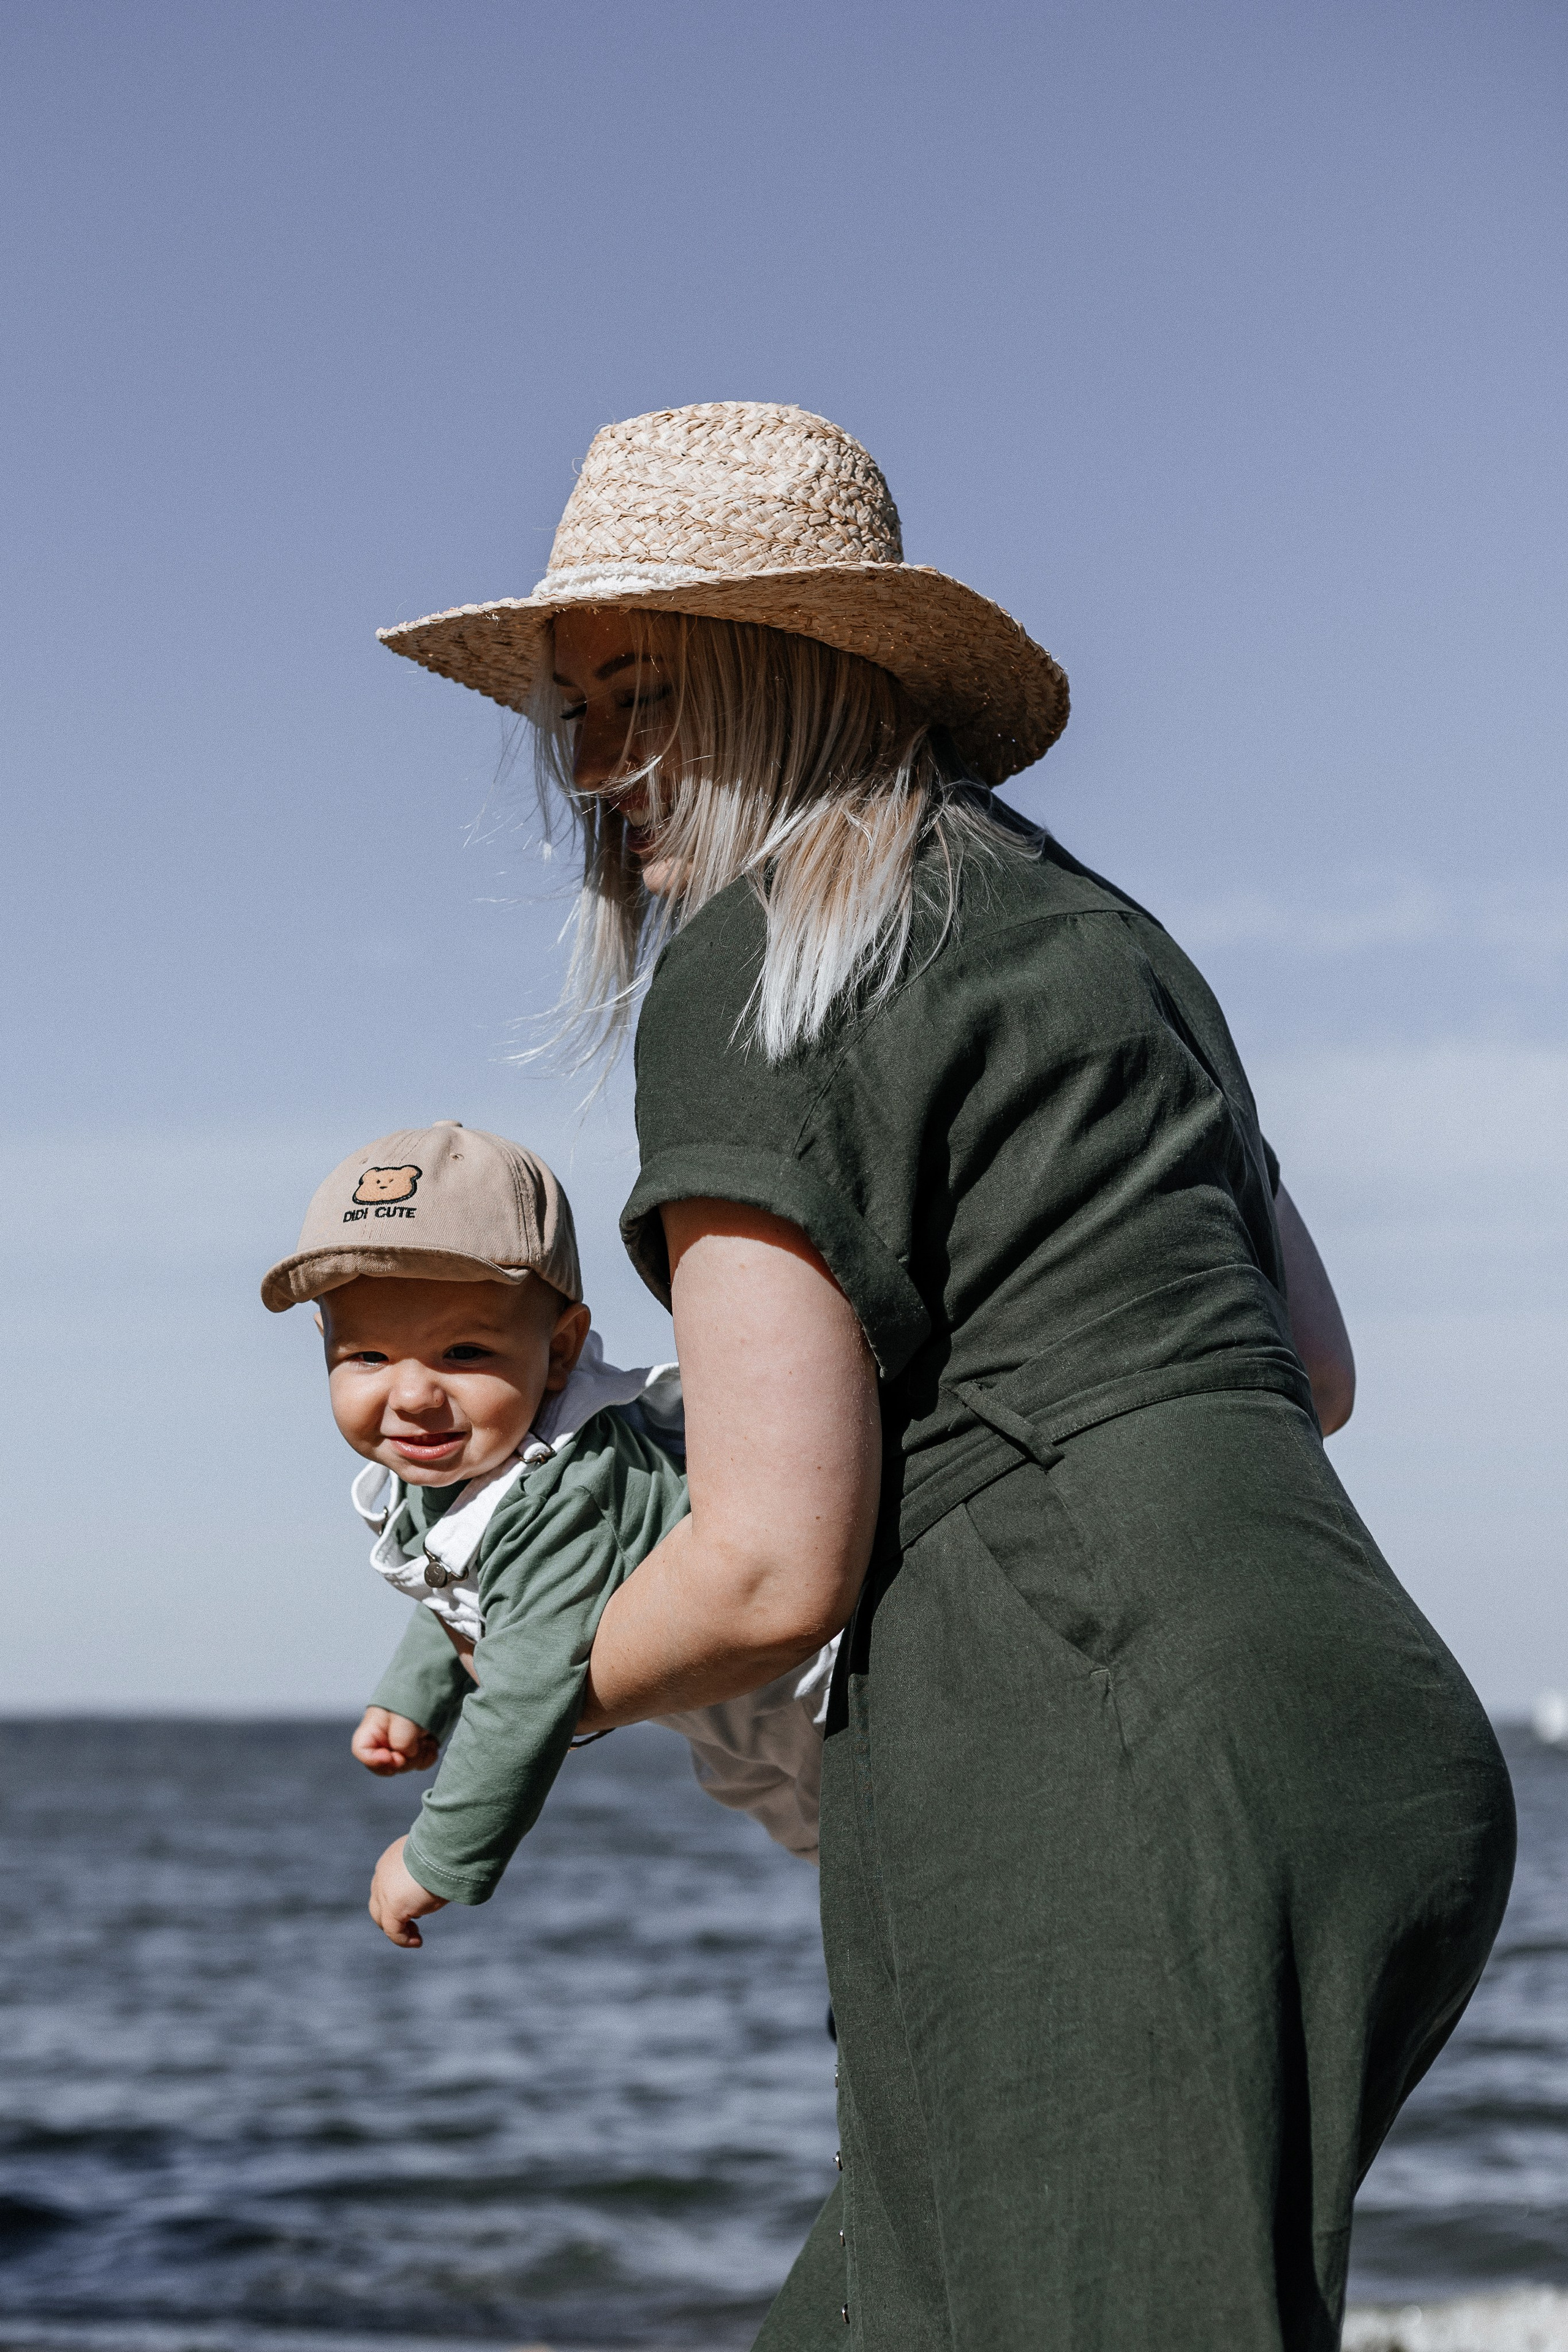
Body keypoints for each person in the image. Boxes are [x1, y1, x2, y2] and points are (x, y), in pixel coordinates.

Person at [377, 403, 1516, 2350]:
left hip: (1106, 1760)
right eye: (568, 713)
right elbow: (1306, 1371)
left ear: (799, 678)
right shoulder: (1107, 936)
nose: (589, 767)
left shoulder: (761, 968)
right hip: (1355, 1728)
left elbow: (763, 1568)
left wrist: (525, 1686)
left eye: (638, 692)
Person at [260, 1117, 837, 1949]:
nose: (413, 1396)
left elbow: (528, 1690)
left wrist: (434, 1859)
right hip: (729, 1716)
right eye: (368, 1357)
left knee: (864, 1842)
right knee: (799, 1828)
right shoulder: (458, 1465)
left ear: (560, 1351)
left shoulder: (564, 1488)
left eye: (463, 1352)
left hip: (816, 1691)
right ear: (325, 1345)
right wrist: (415, 1693)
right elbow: (464, 1579)